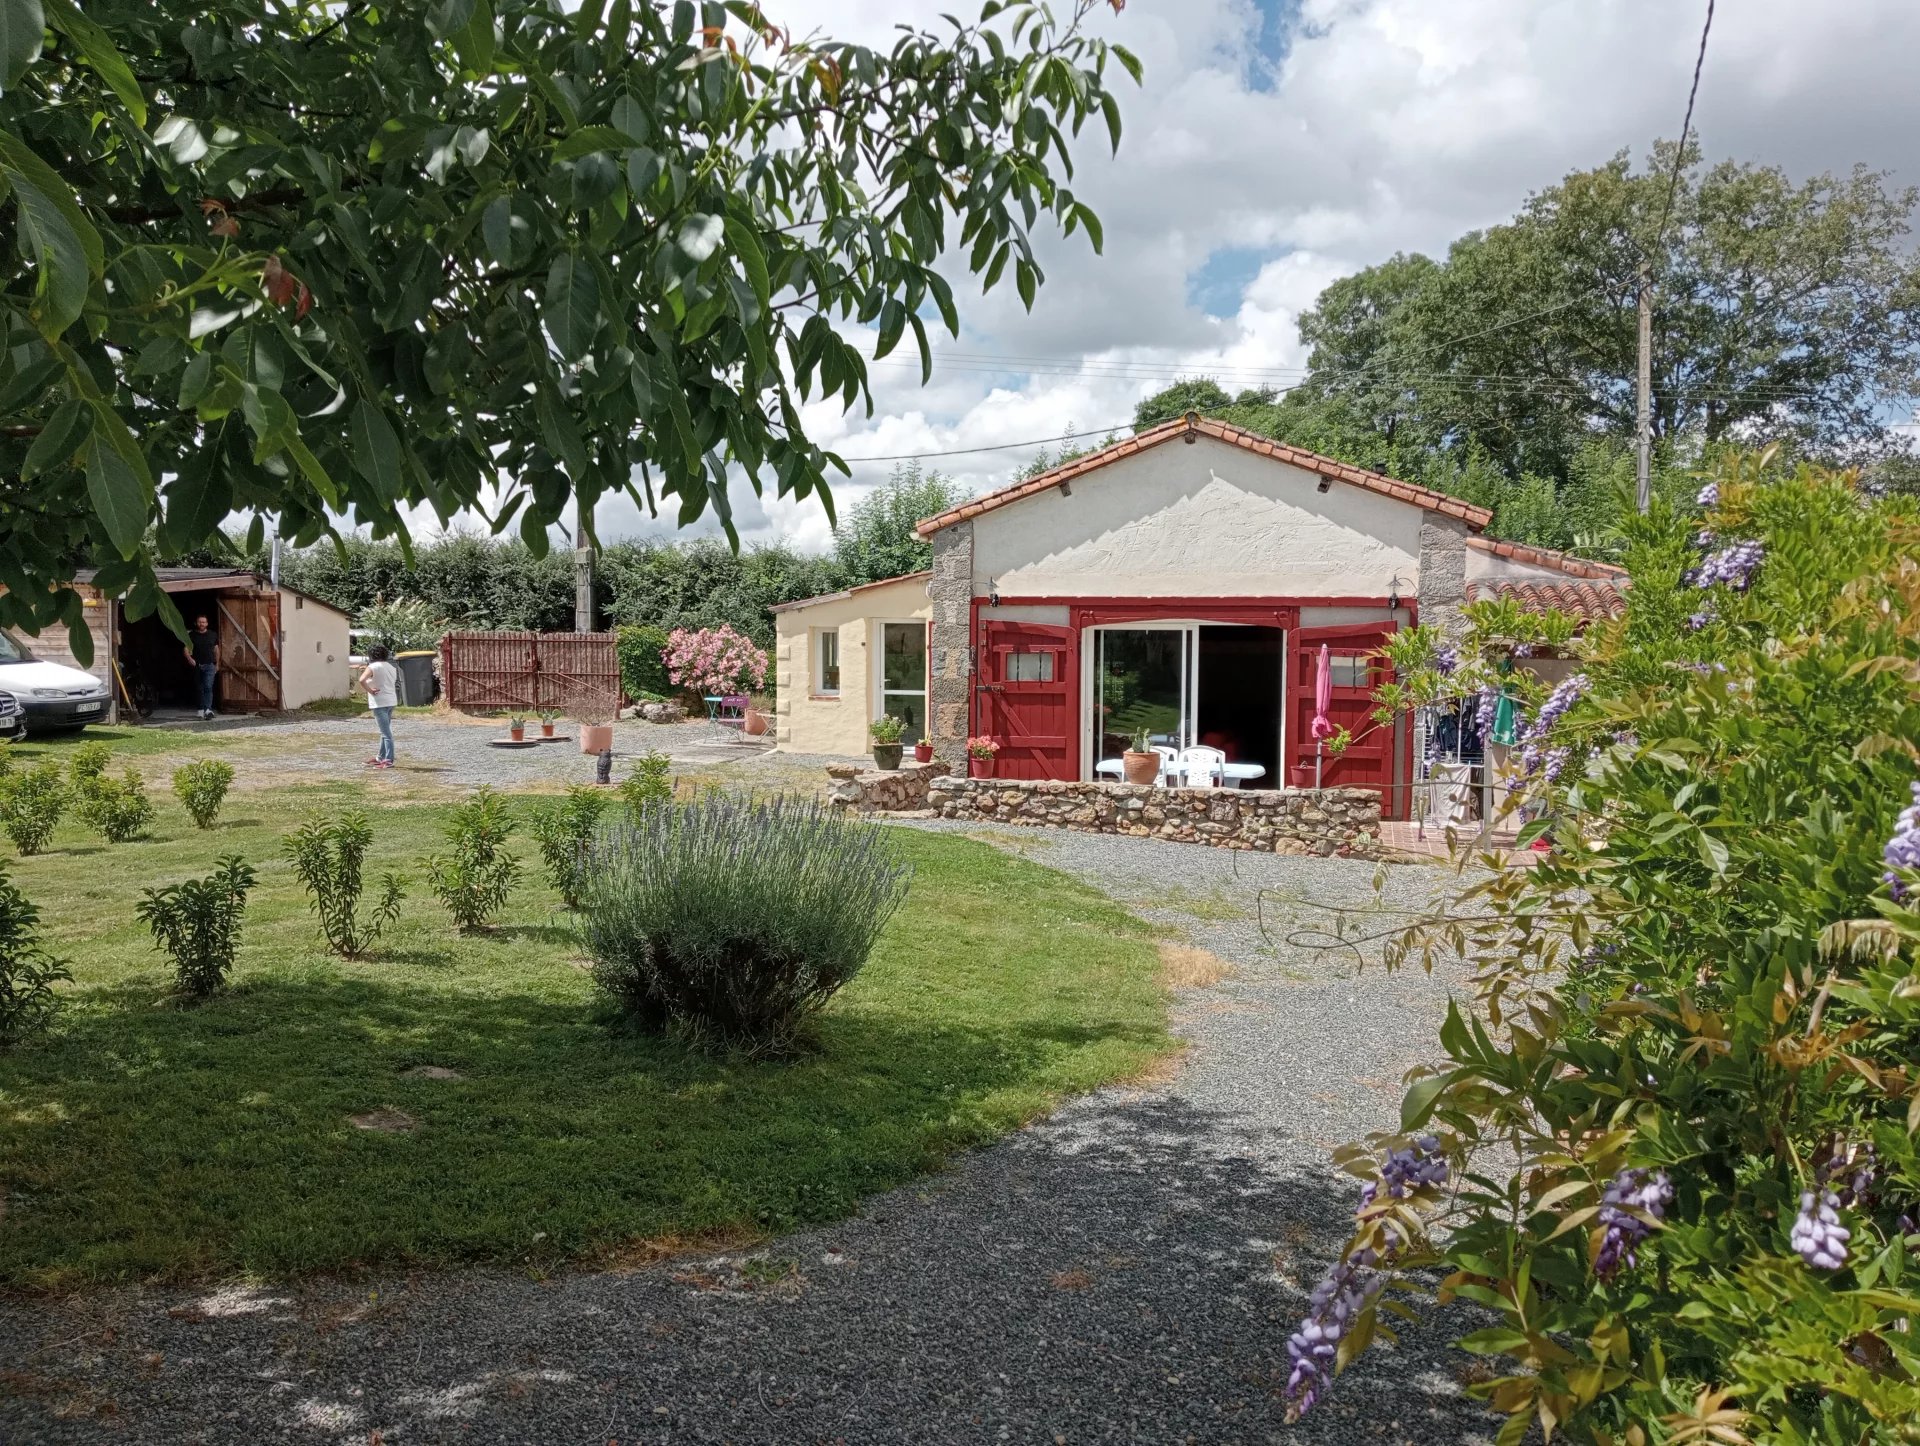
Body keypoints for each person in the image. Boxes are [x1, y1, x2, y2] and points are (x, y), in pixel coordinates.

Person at [358, 645, 399, 769]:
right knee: (384, 731)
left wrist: (370, 690)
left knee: (386, 733)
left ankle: (388, 759)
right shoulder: (392, 667)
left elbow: (361, 680)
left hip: (379, 701)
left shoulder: (373, 667)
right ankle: (380, 757)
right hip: (391, 700)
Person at [183, 614, 219, 720]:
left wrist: (217, 663)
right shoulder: (191, 635)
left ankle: (208, 710)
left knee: (208, 687)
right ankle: (200, 710)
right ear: (196, 623)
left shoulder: (212, 635)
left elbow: (216, 649)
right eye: (199, 622)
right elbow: (185, 649)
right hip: (197, 665)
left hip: (209, 665)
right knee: (199, 688)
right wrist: (190, 659)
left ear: (207, 623)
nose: (201, 624)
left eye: (203, 622)